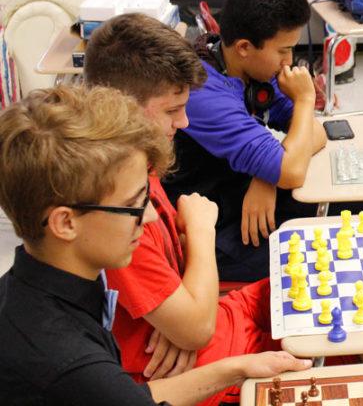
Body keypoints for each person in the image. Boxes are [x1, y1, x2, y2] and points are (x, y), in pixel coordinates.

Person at [0, 85, 310, 405]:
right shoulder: (69, 362)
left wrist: (236, 368)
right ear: (65, 223)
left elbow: (130, 396)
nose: (149, 216)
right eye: (134, 204)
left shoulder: (42, 284)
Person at [84, 13, 294, 405]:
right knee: (337, 353)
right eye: (170, 110)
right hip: (196, 365)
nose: (182, 122)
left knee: (326, 286)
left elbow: (185, 314)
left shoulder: (141, 163)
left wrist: (182, 314)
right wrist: (201, 229)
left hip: (206, 314)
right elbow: (196, 331)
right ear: (120, 108)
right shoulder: (121, 208)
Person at [161, 0, 363, 281]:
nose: (289, 61)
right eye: (283, 50)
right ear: (244, 46)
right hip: (217, 233)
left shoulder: (250, 66)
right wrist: (304, 100)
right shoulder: (204, 94)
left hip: (250, 199)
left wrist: (268, 177)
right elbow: (293, 169)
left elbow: (315, 132)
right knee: (353, 253)